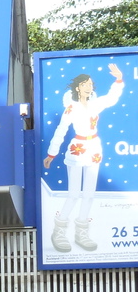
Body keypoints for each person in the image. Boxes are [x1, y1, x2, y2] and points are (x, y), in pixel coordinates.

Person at [43, 62, 125, 253]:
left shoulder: (96, 104)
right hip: (77, 150)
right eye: (86, 83)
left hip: (94, 148)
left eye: (91, 83)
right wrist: (51, 154)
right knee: (74, 194)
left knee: (88, 194)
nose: (90, 86)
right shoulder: (71, 108)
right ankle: (59, 231)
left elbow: (112, 98)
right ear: (78, 87)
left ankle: (81, 232)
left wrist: (119, 79)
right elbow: (61, 130)